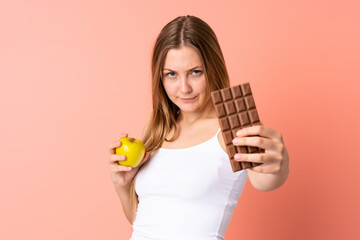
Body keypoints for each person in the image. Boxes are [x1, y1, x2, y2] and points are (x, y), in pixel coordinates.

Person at [108, 15, 289, 240]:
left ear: (213, 68)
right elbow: (145, 222)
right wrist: (123, 187)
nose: (184, 88)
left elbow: (265, 180)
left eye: (195, 72)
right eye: (171, 74)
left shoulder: (233, 126)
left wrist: (277, 166)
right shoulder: (157, 130)